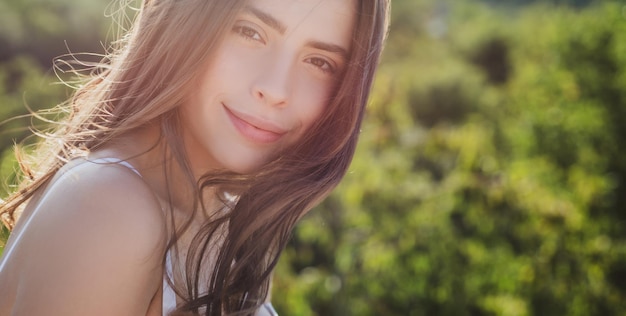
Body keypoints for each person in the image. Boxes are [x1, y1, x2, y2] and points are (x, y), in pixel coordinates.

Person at [0, 0, 390, 314]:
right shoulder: (109, 208)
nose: (275, 89)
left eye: (320, 62)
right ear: (186, 19)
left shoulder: (222, 216)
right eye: (250, 32)